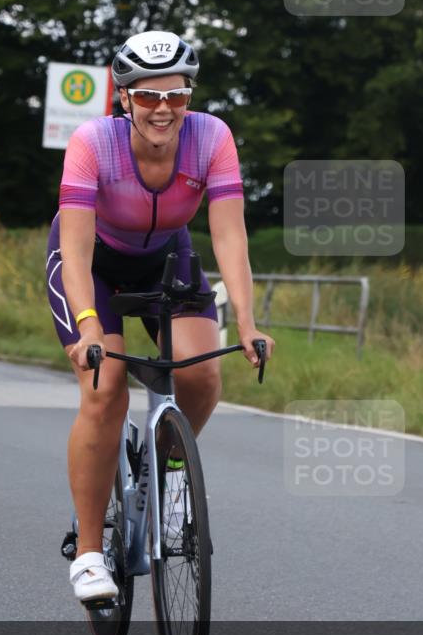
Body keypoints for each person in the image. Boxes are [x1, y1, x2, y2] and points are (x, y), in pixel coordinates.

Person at [46, 30, 275, 603]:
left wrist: (246, 322)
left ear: (189, 96)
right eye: (148, 97)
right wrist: (91, 324)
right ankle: (92, 554)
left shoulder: (212, 138)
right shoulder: (92, 142)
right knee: (107, 386)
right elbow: (72, 248)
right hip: (92, 264)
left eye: (176, 95)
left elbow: (229, 236)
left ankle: (166, 482)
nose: (163, 109)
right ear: (124, 98)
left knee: (201, 375)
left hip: (167, 258)